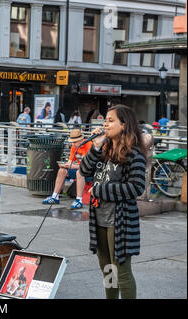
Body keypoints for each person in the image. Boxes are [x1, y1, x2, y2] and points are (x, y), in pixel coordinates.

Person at [79, 104, 146, 299]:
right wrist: (96, 145)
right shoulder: (105, 149)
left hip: (121, 220)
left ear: (124, 125)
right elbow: (84, 171)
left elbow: (136, 187)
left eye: (110, 120)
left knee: (122, 273)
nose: (105, 124)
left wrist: (101, 190)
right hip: (99, 217)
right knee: (108, 270)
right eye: (105, 120)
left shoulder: (134, 154)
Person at [42, 129, 92, 209]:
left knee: (80, 172)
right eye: (72, 141)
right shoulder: (74, 146)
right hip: (80, 168)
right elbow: (70, 162)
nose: (73, 144)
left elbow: (88, 166)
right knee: (62, 170)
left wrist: (71, 166)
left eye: (75, 142)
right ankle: (55, 197)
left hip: (91, 170)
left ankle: (78, 200)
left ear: (82, 140)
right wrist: (65, 165)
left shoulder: (89, 145)